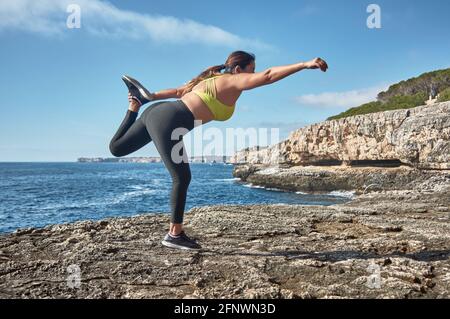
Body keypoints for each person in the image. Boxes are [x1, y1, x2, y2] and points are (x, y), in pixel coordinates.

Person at [109, 51, 328, 250]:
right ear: (238, 69)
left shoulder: (209, 79)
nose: (253, 75)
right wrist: (304, 64)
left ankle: (133, 108)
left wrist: (150, 97)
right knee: (181, 178)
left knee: (117, 148)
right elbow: (269, 75)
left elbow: (178, 92)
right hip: (168, 120)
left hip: (155, 112)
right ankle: (174, 235)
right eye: (251, 70)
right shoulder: (232, 80)